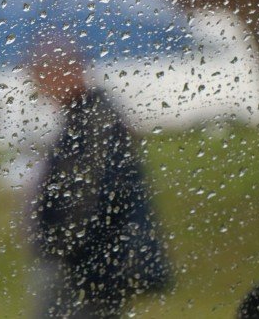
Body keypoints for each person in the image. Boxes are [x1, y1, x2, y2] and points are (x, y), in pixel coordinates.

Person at [28, 38, 171, 318]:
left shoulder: (94, 122)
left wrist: (59, 243)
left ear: (67, 73)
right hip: (87, 262)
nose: (39, 87)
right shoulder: (81, 119)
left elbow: (91, 195)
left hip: (87, 266)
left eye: (42, 76)